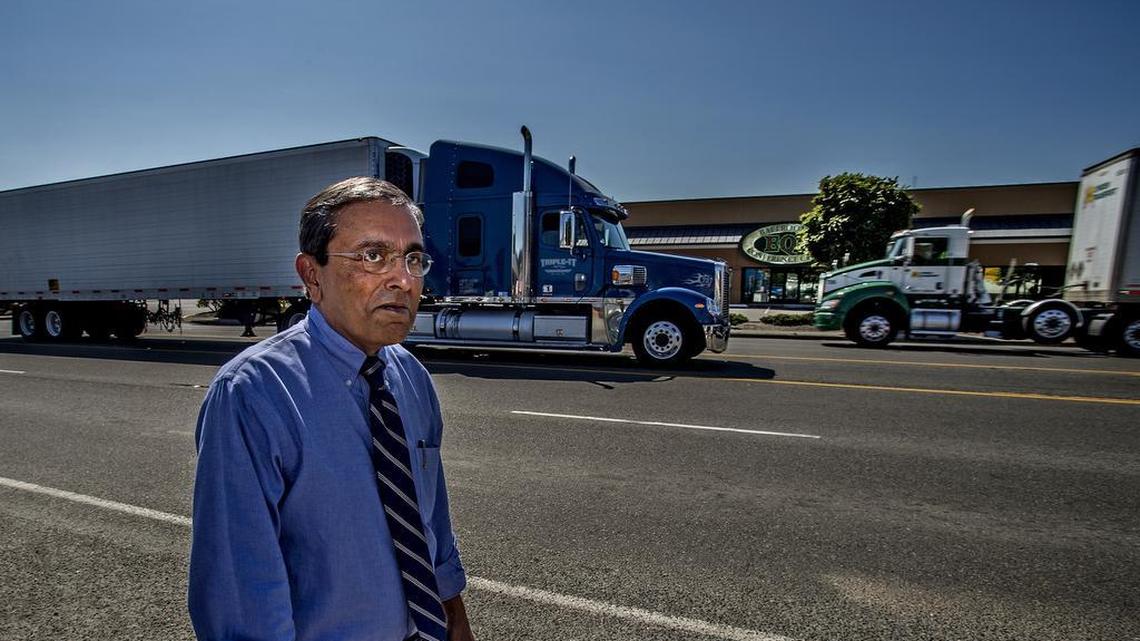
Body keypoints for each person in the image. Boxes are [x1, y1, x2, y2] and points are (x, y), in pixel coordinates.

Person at [188, 177, 474, 641]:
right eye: (372, 256)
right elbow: (241, 593)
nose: (402, 279)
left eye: (413, 258)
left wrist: (455, 620)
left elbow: (429, 521)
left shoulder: (410, 377)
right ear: (311, 274)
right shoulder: (253, 394)